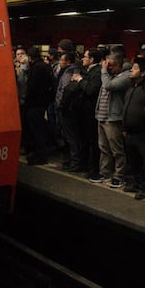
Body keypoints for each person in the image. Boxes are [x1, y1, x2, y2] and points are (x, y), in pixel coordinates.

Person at [90, 51, 132, 187]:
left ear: (119, 65)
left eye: (111, 66)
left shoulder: (125, 76)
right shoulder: (109, 75)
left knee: (116, 149)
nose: (108, 68)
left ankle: (119, 176)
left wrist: (103, 70)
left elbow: (109, 86)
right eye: (107, 65)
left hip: (113, 118)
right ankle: (105, 173)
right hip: (101, 116)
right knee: (103, 148)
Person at [121, 57, 145, 199]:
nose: (131, 70)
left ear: (142, 73)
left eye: (135, 68)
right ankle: (135, 183)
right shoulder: (131, 86)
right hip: (130, 131)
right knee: (133, 159)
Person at [71, 48, 104, 177]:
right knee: (83, 139)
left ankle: (94, 169)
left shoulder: (97, 72)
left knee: (92, 141)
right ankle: (84, 164)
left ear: (92, 59)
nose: (83, 59)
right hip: (82, 111)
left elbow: (91, 90)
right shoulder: (87, 71)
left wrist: (80, 80)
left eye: (85, 57)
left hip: (91, 112)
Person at [24, 46, 55, 165]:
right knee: (40, 129)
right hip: (43, 103)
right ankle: (41, 153)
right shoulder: (46, 67)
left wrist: (26, 100)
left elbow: (31, 88)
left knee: (35, 130)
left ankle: (39, 155)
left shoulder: (34, 68)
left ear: (30, 57)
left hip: (33, 104)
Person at [54, 52, 79, 168]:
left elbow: (65, 90)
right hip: (67, 109)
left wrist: (61, 105)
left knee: (70, 136)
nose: (60, 62)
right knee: (68, 136)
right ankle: (71, 160)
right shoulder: (68, 71)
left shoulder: (69, 72)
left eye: (62, 60)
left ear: (68, 61)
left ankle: (74, 161)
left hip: (66, 109)